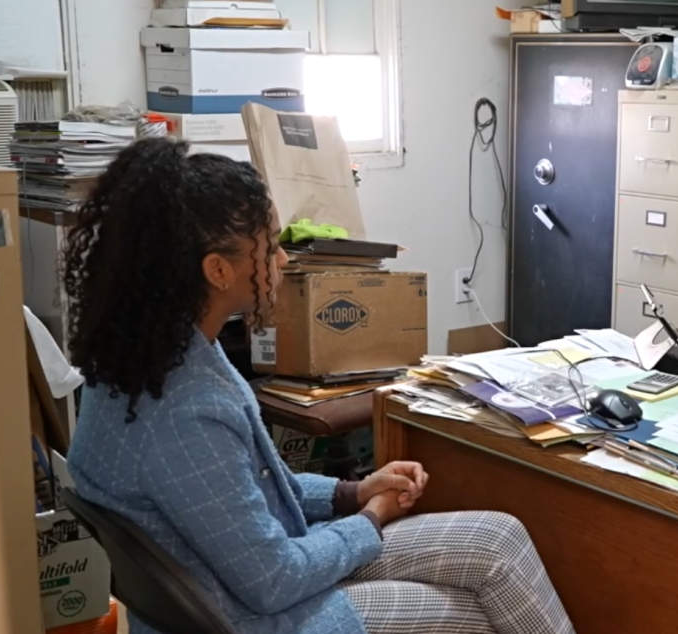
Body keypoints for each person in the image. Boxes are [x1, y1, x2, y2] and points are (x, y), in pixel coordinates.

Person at [62, 138, 575, 634]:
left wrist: (353, 493)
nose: (283, 262)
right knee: (479, 613)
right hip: (261, 615)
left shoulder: (163, 352)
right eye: (269, 248)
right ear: (218, 270)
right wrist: (371, 518)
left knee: (499, 539)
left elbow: (250, 490)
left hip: (247, 582)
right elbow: (274, 579)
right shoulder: (182, 412)